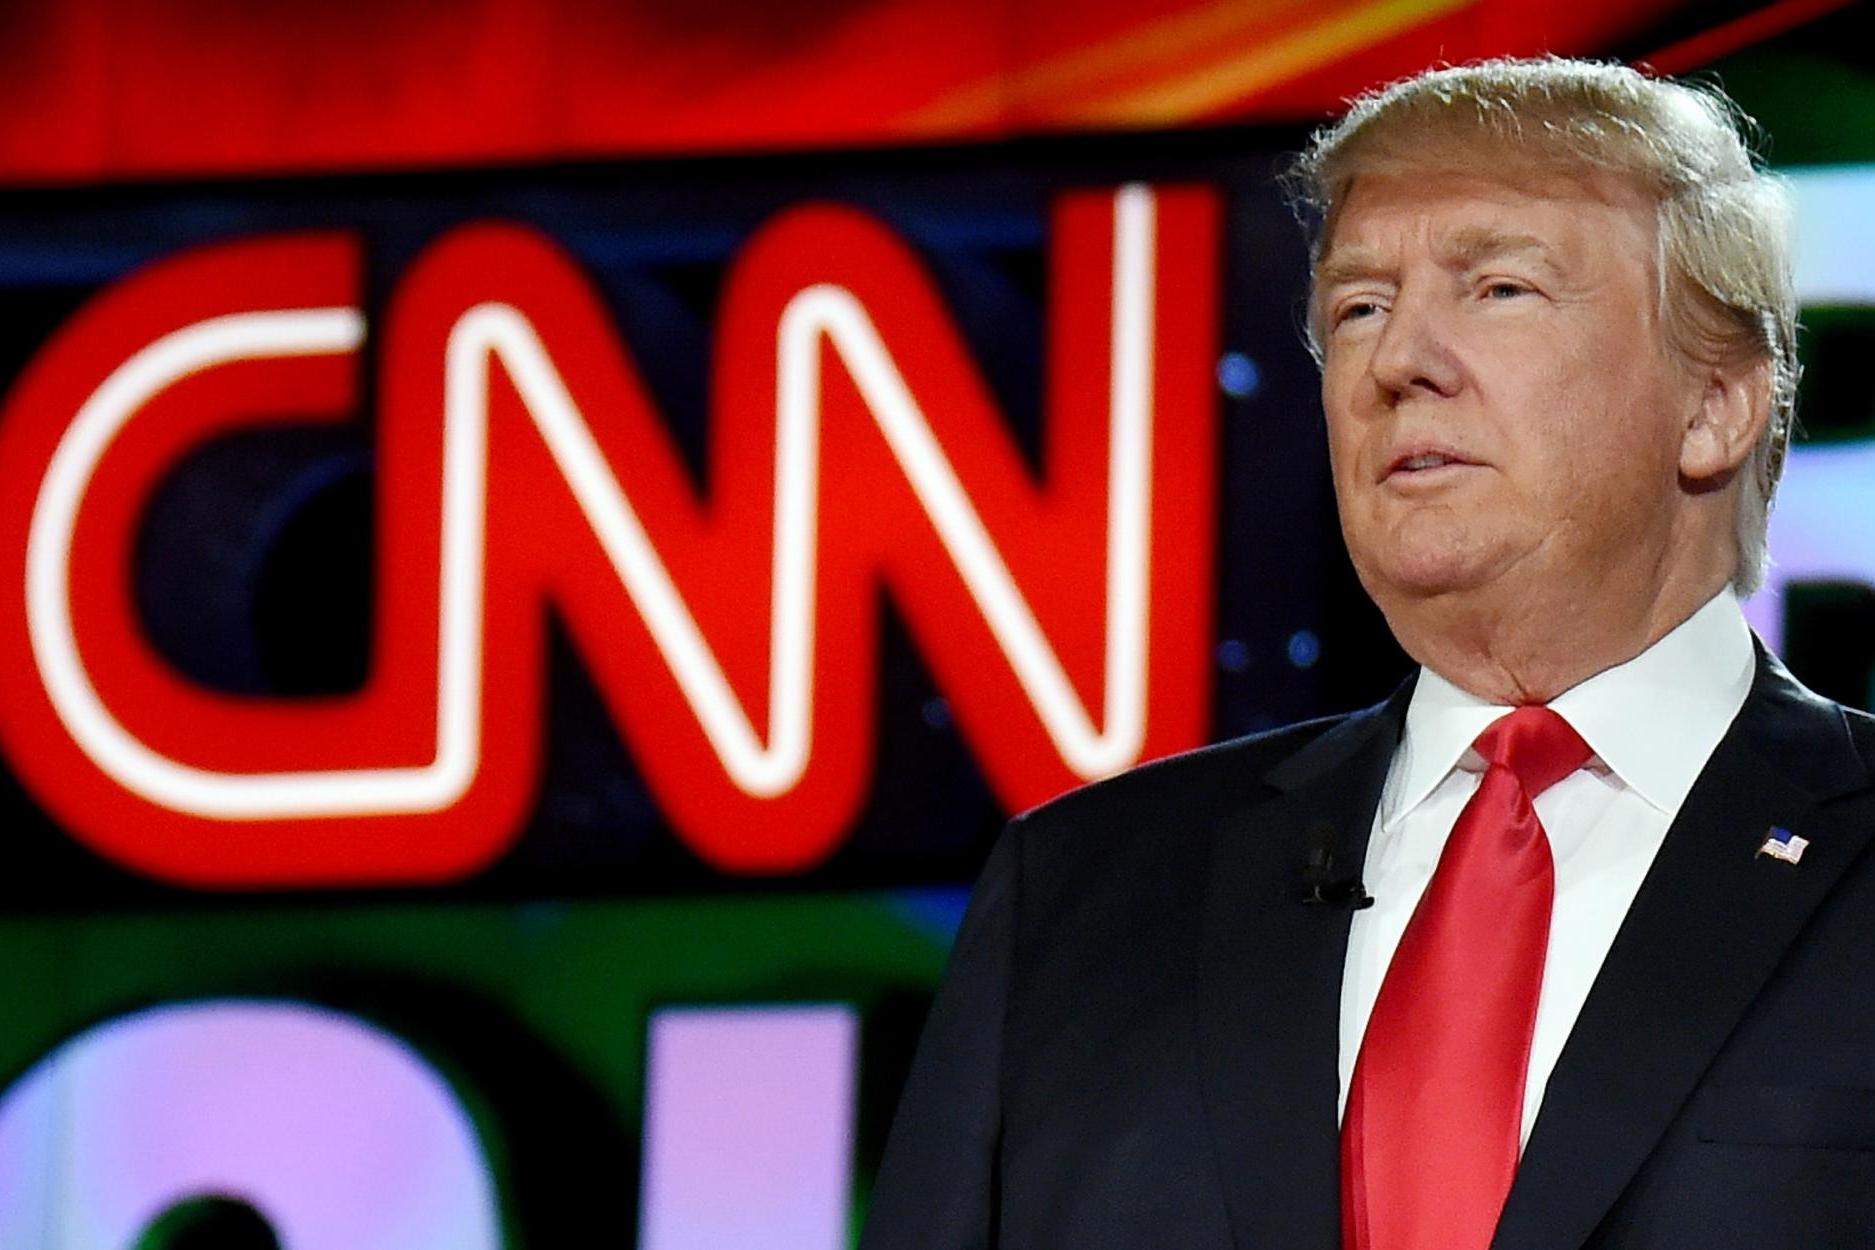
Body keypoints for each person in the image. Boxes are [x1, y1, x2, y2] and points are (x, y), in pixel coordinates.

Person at [859, 56, 1875, 1250]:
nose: (1400, 362)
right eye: (1360, 307)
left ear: (1715, 403)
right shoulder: (1077, 897)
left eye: (1498, 288)